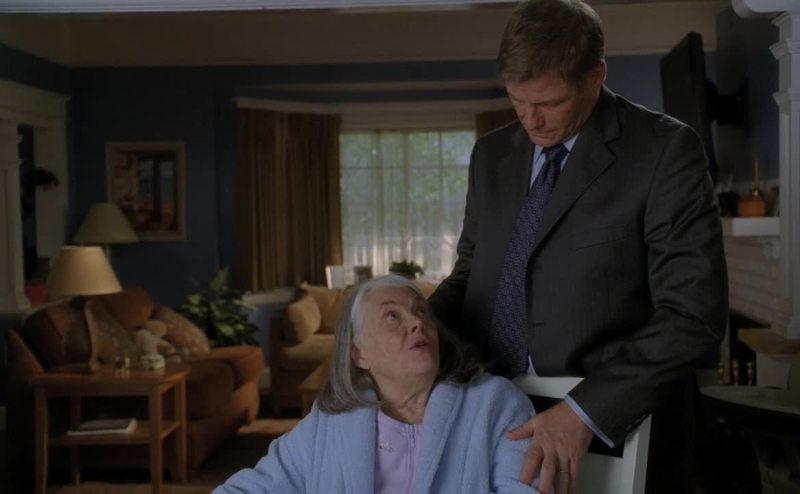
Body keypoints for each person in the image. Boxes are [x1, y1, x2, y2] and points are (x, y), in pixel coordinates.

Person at [428, 1, 728, 493]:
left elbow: (694, 316)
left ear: (596, 77)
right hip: (495, 411)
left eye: (550, 102)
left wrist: (585, 412)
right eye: (517, 100)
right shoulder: (490, 155)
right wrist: (409, 322)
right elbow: (471, 275)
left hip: (616, 421)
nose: (531, 120)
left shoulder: (664, 150)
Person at [214, 275, 541, 494]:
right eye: (392, 317)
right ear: (360, 354)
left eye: (421, 312)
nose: (417, 322)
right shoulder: (330, 421)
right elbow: (256, 487)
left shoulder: (495, 405)